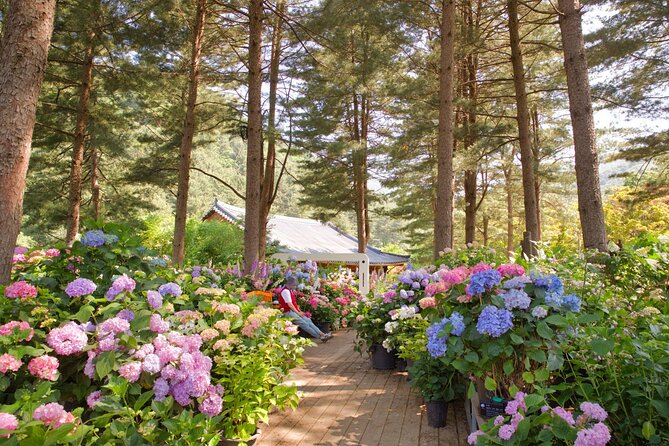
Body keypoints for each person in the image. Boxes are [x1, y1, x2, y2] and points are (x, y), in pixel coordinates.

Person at [279, 276, 332, 343]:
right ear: (290, 284)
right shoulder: (285, 291)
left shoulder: (290, 291)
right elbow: (290, 305)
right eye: (294, 285)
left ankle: (322, 334)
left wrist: (300, 311)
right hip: (288, 312)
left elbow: (294, 304)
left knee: (308, 321)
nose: (295, 287)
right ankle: (320, 336)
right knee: (304, 323)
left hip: (293, 311)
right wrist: (298, 313)